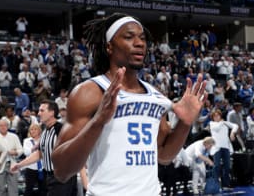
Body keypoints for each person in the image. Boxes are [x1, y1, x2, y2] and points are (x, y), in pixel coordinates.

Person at [50, 13, 207, 195]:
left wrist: (185, 123)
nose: (140, 43)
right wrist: (98, 121)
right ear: (109, 46)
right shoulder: (90, 92)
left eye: (142, 38)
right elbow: (62, 170)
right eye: (129, 37)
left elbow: (164, 155)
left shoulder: (155, 95)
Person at [11, 100, 78, 196]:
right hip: (50, 176)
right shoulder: (45, 131)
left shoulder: (61, 129)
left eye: (42, 111)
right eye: (39, 111)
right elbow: (40, 154)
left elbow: (73, 152)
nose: (38, 113)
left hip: (63, 178)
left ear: (52, 113)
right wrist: (20, 165)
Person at [209, 109, 238, 190]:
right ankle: (216, 184)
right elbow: (217, 128)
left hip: (226, 147)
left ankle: (225, 185)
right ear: (213, 117)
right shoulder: (212, 124)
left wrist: (232, 132)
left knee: (227, 166)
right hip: (216, 148)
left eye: (218, 115)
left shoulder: (225, 123)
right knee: (217, 166)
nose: (217, 117)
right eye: (215, 116)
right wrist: (222, 122)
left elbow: (235, 126)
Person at [0, 119, 23, 196]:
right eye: (1, 125)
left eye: (5, 125)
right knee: (0, 189)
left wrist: (15, 152)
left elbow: (20, 150)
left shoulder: (14, 136)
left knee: (13, 188)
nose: (3, 127)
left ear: (8, 126)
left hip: (12, 164)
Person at [22, 124, 46, 196]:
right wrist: (35, 147)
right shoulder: (26, 141)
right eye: (31, 129)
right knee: (28, 189)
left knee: (43, 189)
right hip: (30, 168)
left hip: (43, 168)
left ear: (39, 131)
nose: (33, 131)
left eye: (35, 129)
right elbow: (26, 152)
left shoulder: (44, 140)